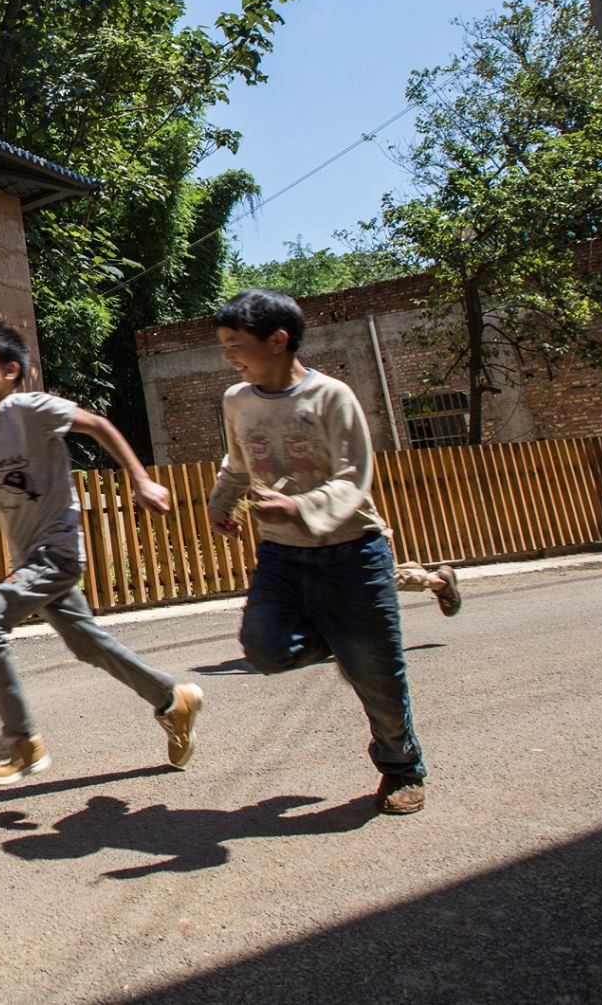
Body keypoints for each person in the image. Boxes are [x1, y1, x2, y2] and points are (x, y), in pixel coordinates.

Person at [0, 322, 203, 786]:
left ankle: (20, 740)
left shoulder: (31, 408)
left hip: (55, 550)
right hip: (28, 559)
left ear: (11, 370)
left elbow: (97, 424)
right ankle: (172, 699)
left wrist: (139, 480)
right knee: (86, 643)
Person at [206, 288, 430, 815]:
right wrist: (224, 501)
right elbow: (238, 460)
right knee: (263, 648)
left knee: (378, 675)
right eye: (223, 348)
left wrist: (299, 507)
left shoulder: (331, 397)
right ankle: (345, 645)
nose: (230, 358)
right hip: (283, 556)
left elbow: (354, 479)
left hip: (352, 553)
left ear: (278, 340)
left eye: (237, 345)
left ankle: (401, 769)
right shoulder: (237, 400)